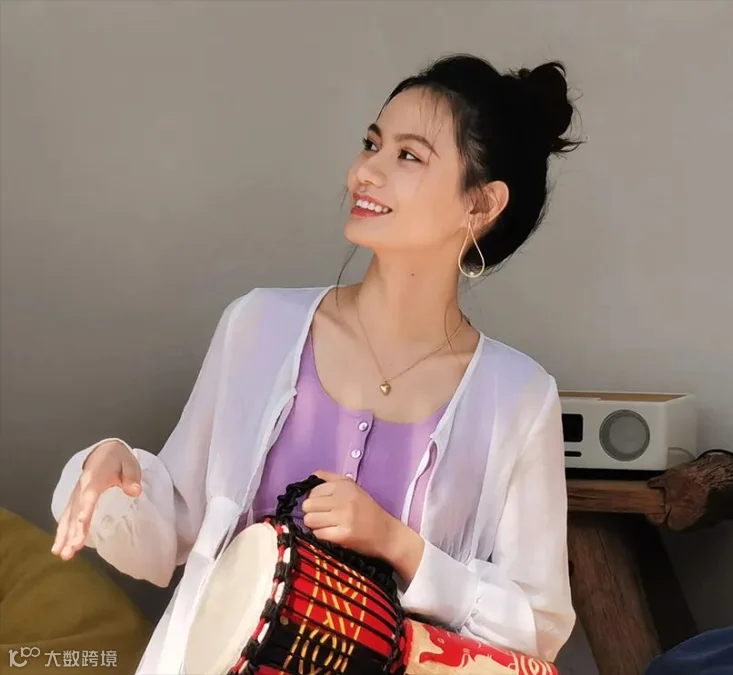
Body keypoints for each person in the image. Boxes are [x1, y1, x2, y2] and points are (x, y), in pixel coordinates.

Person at [48, 53, 583, 674]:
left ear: (482, 205)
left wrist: (400, 546)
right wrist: (114, 473)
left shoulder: (518, 397)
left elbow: (538, 630)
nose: (365, 171)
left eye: (408, 156)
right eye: (371, 144)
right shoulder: (258, 326)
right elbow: (176, 524)